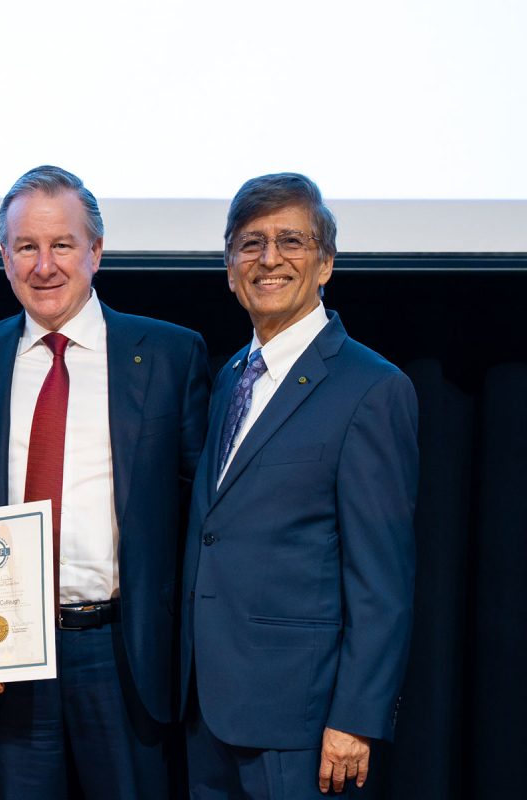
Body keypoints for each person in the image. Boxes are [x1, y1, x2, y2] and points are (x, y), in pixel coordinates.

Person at [0, 165, 209, 798]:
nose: (44, 266)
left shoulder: (168, 355)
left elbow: (203, 514)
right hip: (5, 653)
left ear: (96, 251)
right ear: (4, 258)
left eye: (62, 244)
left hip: (123, 654)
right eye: (26, 247)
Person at [180, 173, 418, 798]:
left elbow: (382, 580)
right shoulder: (230, 376)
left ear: (325, 263)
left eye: (291, 240)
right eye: (250, 243)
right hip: (208, 709)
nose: (269, 259)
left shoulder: (371, 388)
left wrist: (357, 717)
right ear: (229, 268)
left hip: (304, 723)